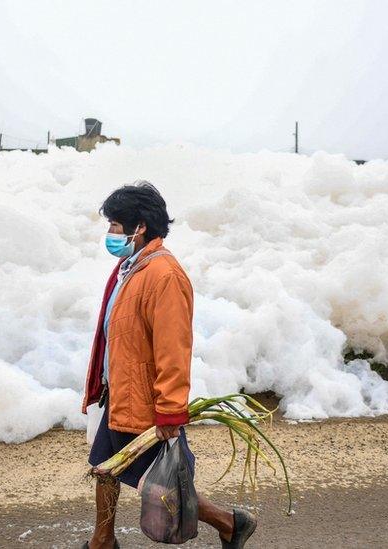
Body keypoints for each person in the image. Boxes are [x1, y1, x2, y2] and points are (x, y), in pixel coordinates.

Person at [82, 181, 257, 549]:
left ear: (139, 226)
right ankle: (103, 540)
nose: (110, 234)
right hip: (121, 392)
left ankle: (231, 522)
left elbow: (173, 349)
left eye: (115, 225)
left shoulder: (165, 276)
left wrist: (170, 411)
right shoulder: (131, 268)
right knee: (105, 468)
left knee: (166, 488)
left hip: (146, 400)